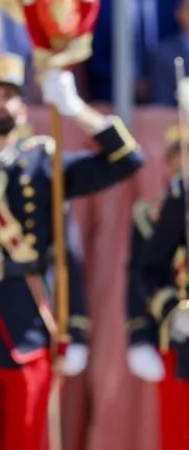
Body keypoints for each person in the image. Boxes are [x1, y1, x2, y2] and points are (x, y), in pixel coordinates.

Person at [0, 52, 144, 450]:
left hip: (32, 334)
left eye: (7, 94)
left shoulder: (46, 167)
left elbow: (128, 160)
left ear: (23, 108)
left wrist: (76, 109)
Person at [125, 124, 187, 450]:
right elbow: (142, 273)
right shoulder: (152, 214)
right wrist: (139, 335)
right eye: (181, 155)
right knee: (177, 429)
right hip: (176, 333)